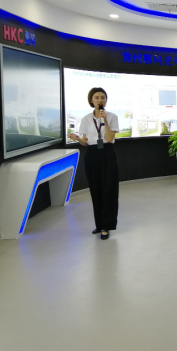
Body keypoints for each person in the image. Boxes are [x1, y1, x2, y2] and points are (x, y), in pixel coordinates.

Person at [69, 87, 120, 240]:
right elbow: (85, 142)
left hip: (108, 153)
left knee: (109, 190)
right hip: (92, 154)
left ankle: (106, 226)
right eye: (96, 97)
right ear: (91, 100)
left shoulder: (112, 117)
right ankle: (99, 224)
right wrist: (78, 139)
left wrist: (105, 120)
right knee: (95, 189)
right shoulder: (86, 119)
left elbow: (109, 138)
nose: (100, 100)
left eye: (103, 97)